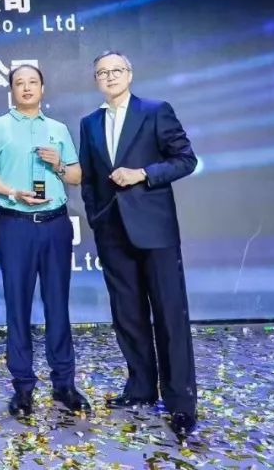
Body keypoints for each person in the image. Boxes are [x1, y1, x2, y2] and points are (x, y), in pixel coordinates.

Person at [78, 51, 199, 438]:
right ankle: (141, 388)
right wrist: (96, 217)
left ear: (129, 74)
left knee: (168, 314)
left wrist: (143, 173)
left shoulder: (155, 110)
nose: (110, 77)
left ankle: (181, 403)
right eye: (102, 73)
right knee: (127, 314)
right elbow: (89, 179)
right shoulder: (90, 123)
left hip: (155, 230)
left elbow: (186, 160)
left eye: (116, 70)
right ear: (96, 80)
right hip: (112, 231)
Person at [0, 64, 88, 417]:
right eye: (19, 83)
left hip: (55, 224)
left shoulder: (58, 129)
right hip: (16, 225)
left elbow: (76, 176)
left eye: (32, 82)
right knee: (17, 306)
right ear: (11, 90)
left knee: (58, 304)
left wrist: (58, 165)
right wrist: (11, 191)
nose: (26, 88)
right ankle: (23, 387)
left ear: (42, 88)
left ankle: (64, 383)